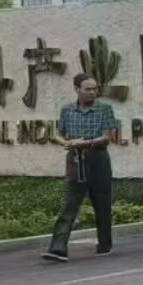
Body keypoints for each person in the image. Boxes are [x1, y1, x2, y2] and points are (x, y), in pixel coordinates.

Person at [42, 74, 119, 262]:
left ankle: (104, 244)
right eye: (88, 89)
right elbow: (59, 134)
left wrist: (84, 143)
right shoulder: (67, 110)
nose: (92, 92)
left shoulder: (104, 109)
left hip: (98, 158)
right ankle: (58, 248)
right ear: (77, 89)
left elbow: (107, 137)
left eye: (94, 89)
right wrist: (66, 143)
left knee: (102, 203)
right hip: (75, 159)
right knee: (69, 204)